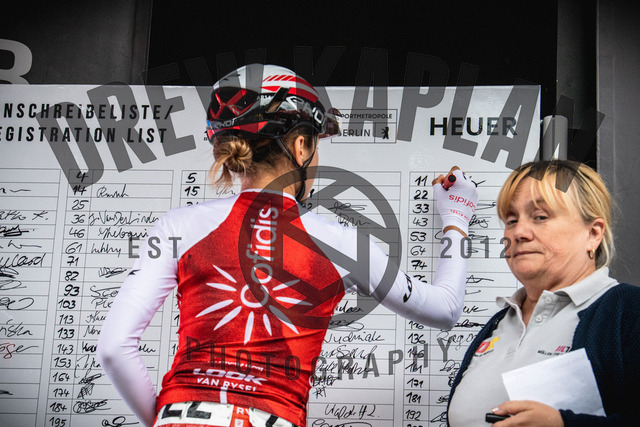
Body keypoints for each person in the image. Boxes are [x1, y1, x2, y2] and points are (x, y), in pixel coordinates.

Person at [97, 63, 479, 427]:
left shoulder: (176, 226)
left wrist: (171, 418)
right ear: (300, 146)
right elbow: (445, 309)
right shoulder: (343, 243)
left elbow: (114, 348)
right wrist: (456, 218)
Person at [447, 160, 640, 426]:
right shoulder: (500, 322)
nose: (519, 232)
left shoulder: (629, 311)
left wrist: (563, 424)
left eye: (540, 217)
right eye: (511, 220)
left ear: (593, 234)